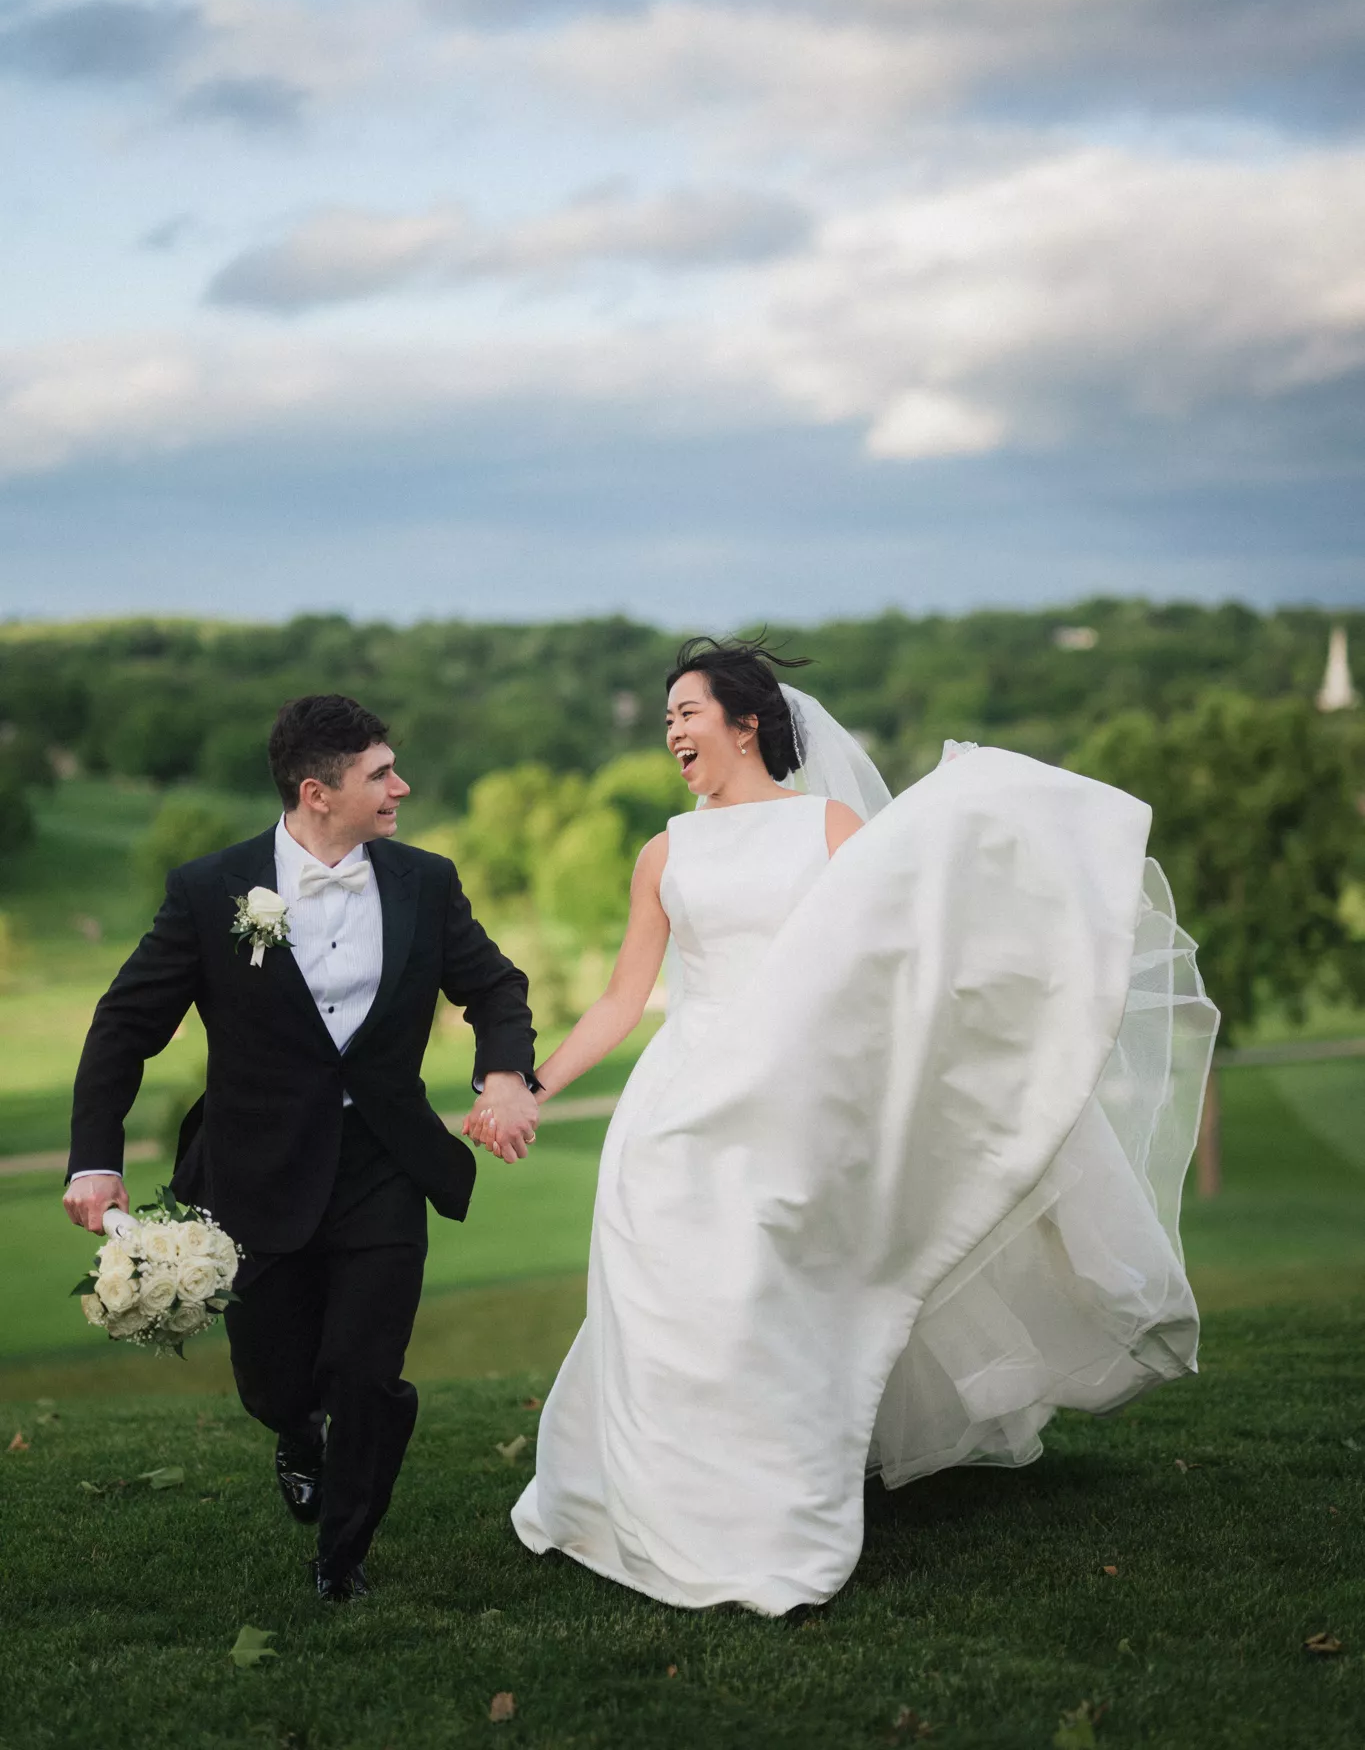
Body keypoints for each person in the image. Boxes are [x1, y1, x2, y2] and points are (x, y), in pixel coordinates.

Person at [470, 638, 1218, 1616]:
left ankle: (768, 1490)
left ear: (745, 722)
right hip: (676, 1100)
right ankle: (648, 1489)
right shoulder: (665, 851)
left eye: (687, 712)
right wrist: (530, 1083)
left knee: (764, 1289)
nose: (672, 732)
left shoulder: (828, 826)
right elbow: (621, 998)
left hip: (793, 1095)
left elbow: (897, 945)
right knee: (660, 1287)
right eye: (666, 720)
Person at [63, 694, 541, 1603]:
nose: (401, 786)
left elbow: (494, 985)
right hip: (255, 1168)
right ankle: (293, 1430)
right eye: (380, 774)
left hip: (383, 1160)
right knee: (275, 1380)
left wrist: (506, 1075)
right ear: (317, 793)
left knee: (367, 1370)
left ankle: (341, 1558)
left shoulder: (425, 880)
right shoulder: (209, 890)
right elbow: (123, 1026)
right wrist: (95, 1159)